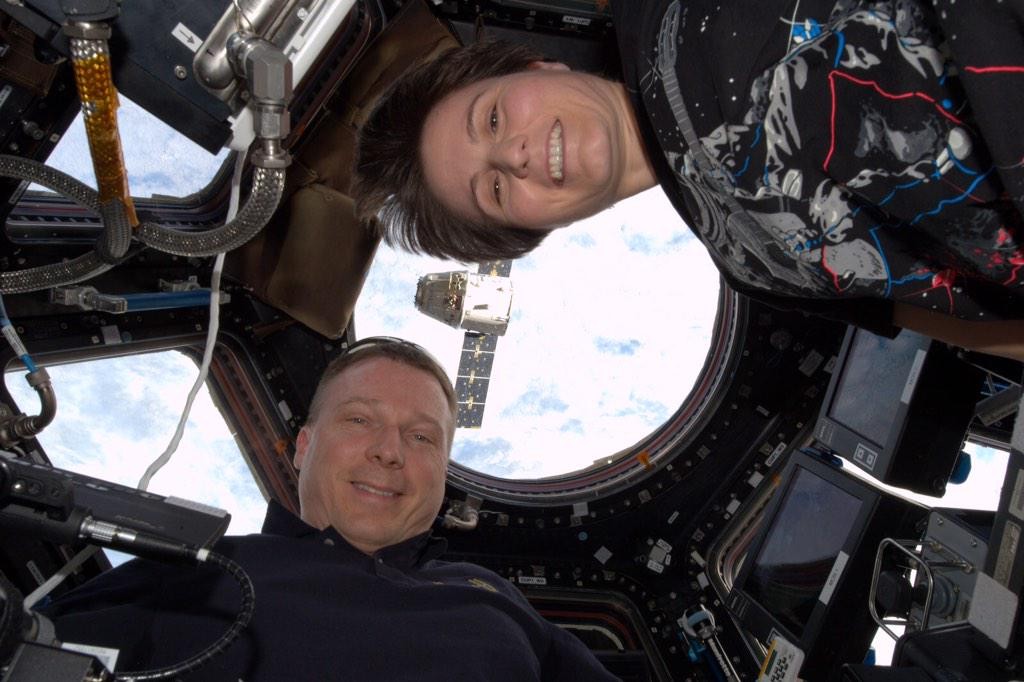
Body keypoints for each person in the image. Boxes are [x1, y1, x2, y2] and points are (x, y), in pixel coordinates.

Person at [354, 0, 1024, 361]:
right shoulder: (747, 267)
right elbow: (961, 317)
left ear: (537, 67)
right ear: (533, 228)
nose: (517, 156)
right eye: (495, 189)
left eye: (493, 118)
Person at [42, 337, 620, 681]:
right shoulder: (196, 571)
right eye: (360, 419)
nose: (389, 451)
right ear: (303, 446)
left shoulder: (493, 597)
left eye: (422, 438)